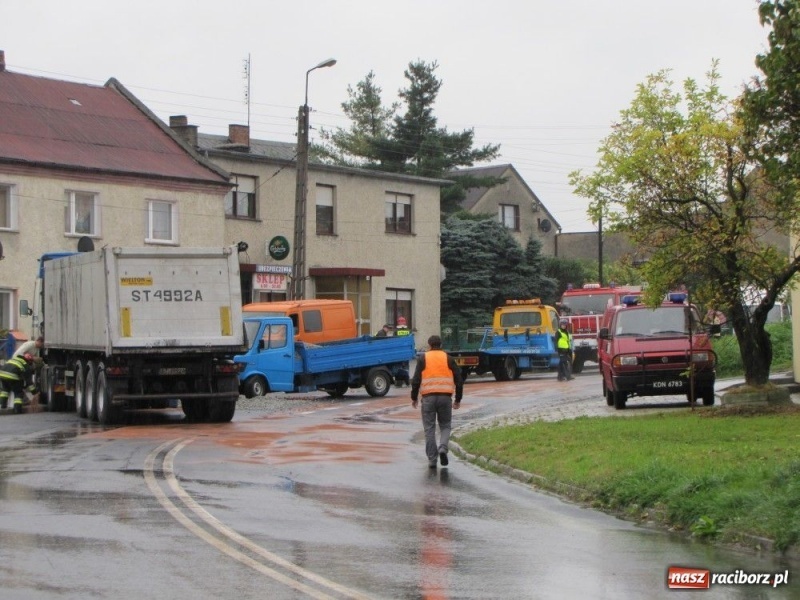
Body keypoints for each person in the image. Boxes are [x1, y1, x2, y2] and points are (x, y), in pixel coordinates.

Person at [411, 335, 463, 468]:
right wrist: (457, 399)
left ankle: (432, 459)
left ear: (429, 345)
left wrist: (414, 397)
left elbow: (416, 379)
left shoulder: (423, 358)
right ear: (441, 345)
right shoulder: (448, 358)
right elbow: (459, 380)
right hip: (445, 398)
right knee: (445, 425)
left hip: (428, 398)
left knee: (429, 429)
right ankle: (443, 448)